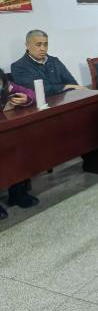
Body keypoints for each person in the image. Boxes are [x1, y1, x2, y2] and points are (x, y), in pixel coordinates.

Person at [0, 68, 38, 220]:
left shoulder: (7, 86)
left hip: (6, 134)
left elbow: (30, 93)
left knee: (19, 147)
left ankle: (17, 193)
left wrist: (25, 98)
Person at [11, 29, 84, 96]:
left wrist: (65, 87)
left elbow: (73, 84)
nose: (43, 48)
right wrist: (64, 87)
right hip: (42, 104)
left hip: (65, 100)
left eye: (45, 44)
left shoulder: (54, 61)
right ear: (27, 45)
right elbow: (33, 91)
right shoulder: (18, 66)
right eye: (38, 45)